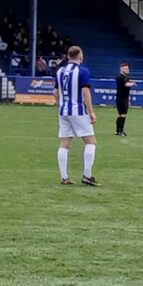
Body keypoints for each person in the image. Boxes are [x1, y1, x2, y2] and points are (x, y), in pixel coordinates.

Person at [55, 44, 100, 186]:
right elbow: (86, 92)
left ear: (68, 56)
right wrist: (91, 112)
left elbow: (55, 92)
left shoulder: (60, 71)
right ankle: (87, 176)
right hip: (78, 111)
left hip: (63, 111)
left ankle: (64, 177)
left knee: (64, 144)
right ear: (80, 56)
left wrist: (60, 105)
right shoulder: (83, 71)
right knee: (90, 142)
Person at [114, 63, 134, 137]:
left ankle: (118, 130)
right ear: (121, 69)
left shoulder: (126, 78)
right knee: (122, 115)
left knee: (121, 115)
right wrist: (132, 83)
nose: (127, 70)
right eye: (125, 69)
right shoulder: (119, 77)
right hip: (121, 98)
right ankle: (120, 131)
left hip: (125, 98)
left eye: (128, 68)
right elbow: (125, 84)